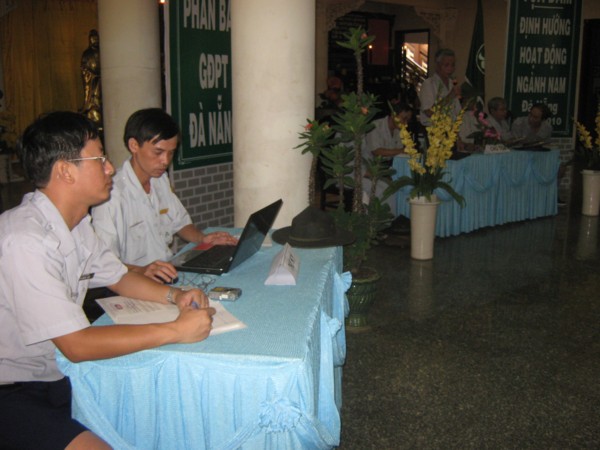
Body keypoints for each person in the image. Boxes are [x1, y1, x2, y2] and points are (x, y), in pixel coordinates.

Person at [0, 111, 215, 449]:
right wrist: (176, 330)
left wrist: (176, 296)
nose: (110, 168)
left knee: (155, 410)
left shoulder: (76, 225)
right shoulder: (25, 240)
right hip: (15, 388)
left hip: (56, 372)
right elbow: (77, 345)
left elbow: (120, 278)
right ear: (65, 171)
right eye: (99, 159)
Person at [92, 108, 237, 284]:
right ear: (134, 145)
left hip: (167, 272)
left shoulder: (159, 179)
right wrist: (143, 270)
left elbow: (180, 222)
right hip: (133, 282)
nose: (165, 161)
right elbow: (104, 264)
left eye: (171, 153)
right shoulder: (110, 195)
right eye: (158, 152)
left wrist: (203, 238)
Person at [361, 102, 414, 216]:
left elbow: (400, 153)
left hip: (389, 166)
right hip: (371, 167)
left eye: (408, 120)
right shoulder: (376, 126)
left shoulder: (399, 131)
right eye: (404, 118)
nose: (405, 123)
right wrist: (401, 151)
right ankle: (384, 216)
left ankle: (402, 215)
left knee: (406, 183)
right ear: (393, 115)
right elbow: (376, 151)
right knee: (388, 189)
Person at [418, 48, 462, 127]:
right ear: (437, 65)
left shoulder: (452, 84)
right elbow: (429, 112)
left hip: (453, 129)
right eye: (446, 65)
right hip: (434, 130)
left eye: (452, 65)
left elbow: (457, 112)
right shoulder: (429, 84)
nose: (450, 68)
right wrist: (450, 96)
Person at [80, 29, 102, 128]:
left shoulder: (103, 52)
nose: (95, 41)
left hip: (100, 80)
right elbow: (84, 66)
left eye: (96, 39)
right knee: (92, 99)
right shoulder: (87, 53)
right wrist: (90, 74)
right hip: (91, 80)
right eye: (93, 39)